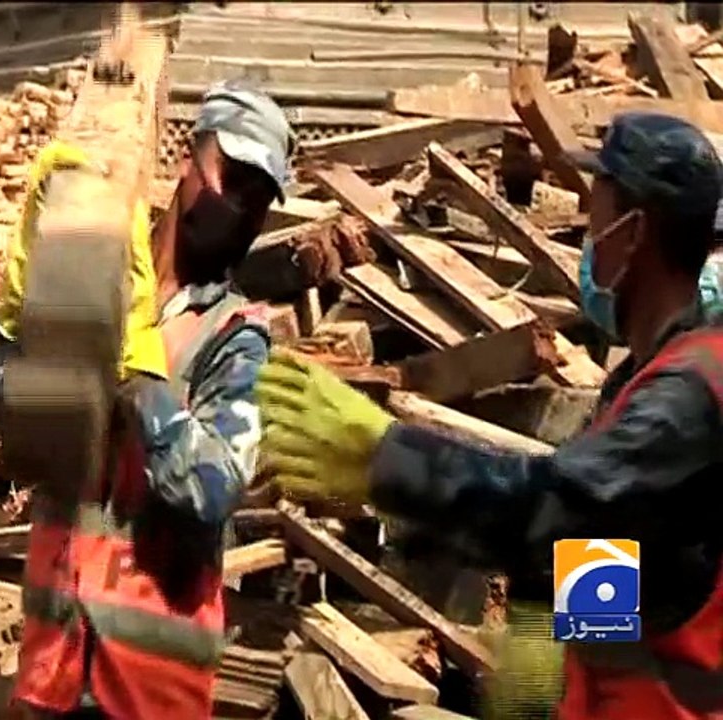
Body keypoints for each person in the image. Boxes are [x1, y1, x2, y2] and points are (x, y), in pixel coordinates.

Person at [256, 112, 723, 720]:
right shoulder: (644, 376)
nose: (589, 233)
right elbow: (634, 554)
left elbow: (567, 510)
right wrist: (541, 645)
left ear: (632, 234)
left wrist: (391, 460)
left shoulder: (689, 395)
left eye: (597, 215)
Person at [0, 80, 294, 719]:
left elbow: (212, 486)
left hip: (150, 692)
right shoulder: (96, 280)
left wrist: (138, 374)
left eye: (260, 202)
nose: (242, 212)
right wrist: (13, 313)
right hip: (53, 674)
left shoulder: (235, 335)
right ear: (188, 161)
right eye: (235, 181)